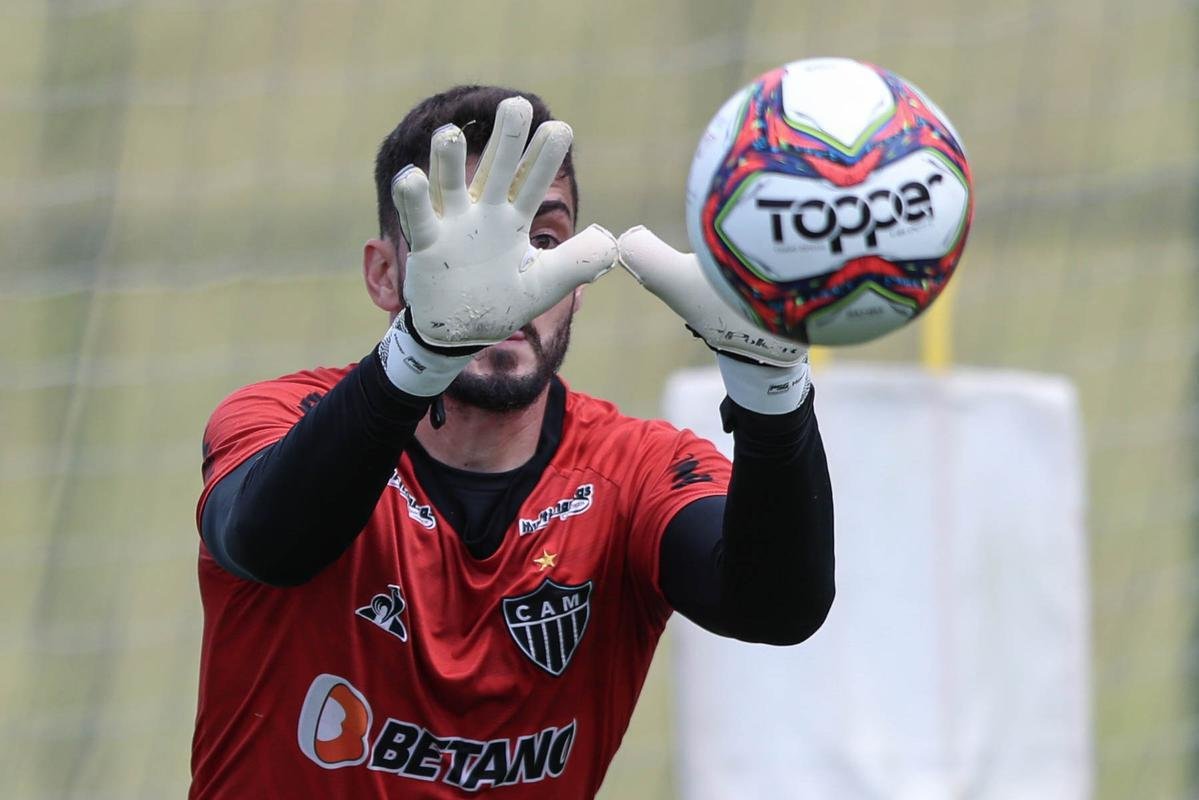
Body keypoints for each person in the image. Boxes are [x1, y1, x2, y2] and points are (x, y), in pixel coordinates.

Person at [191, 84, 834, 799]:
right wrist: (421, 353)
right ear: (383, 273)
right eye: (463, 244)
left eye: (544, 242)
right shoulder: (277, 417)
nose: (508, 277)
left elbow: (776, 607)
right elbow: (269, 543)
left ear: (580, 284)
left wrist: (771, 391)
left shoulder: (636, 470)